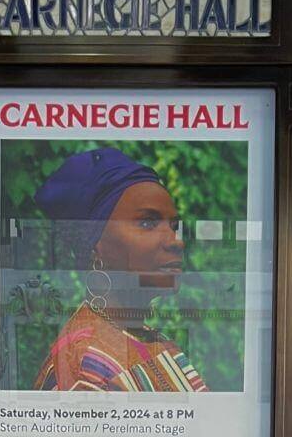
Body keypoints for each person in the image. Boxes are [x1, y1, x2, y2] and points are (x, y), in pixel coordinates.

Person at [32, 146, 209, 392]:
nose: (177, 241)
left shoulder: (158, 343)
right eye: (147, 222)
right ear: (95, 246)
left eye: (174, 225)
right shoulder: (84, 364)